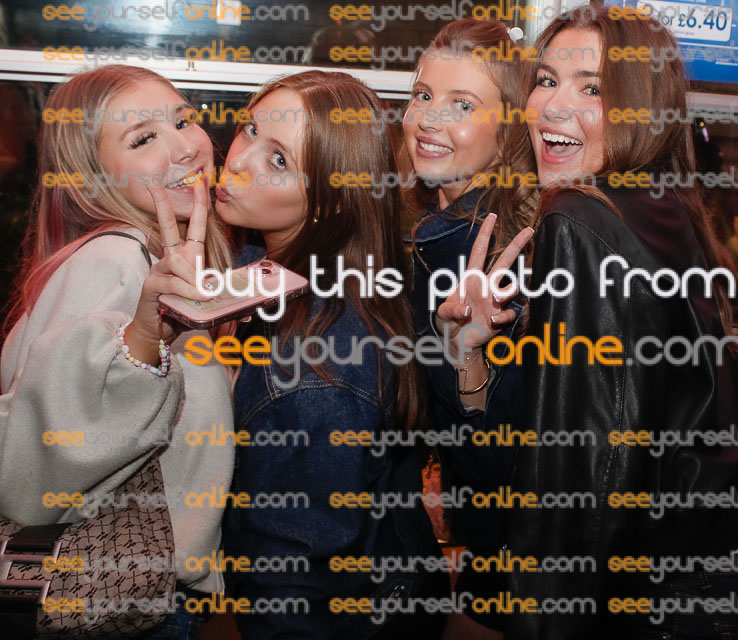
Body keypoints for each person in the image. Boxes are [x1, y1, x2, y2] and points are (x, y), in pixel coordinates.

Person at [506, 6, 738, 638]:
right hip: (735, 587)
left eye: (591, 89)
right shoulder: (663, 206)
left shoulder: (579, 218)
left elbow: (587, 476)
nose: (552, 107)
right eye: (546, 80)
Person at [0, 65, 235, 639]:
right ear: (88, 182)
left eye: (184, 120)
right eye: (144, 137)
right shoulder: (117, 258)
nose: (187, 146)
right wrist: (144, 344)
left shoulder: (136, 256)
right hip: (125, 590)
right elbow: (42, 458)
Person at [215, 70, 446, 639]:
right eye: (250, 130)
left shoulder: (316, 363)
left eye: (278, 161)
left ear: (327, 203)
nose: (238, 161)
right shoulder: (272, 275)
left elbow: (292, 583)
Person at [401, 18, 535, 640]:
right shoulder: (438, 230)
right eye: (423, 95)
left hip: (517, 556)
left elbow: (499, 460)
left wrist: (459, 358)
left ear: (508, 133)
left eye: (462, 105)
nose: (428, 119)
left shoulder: (483, 251)